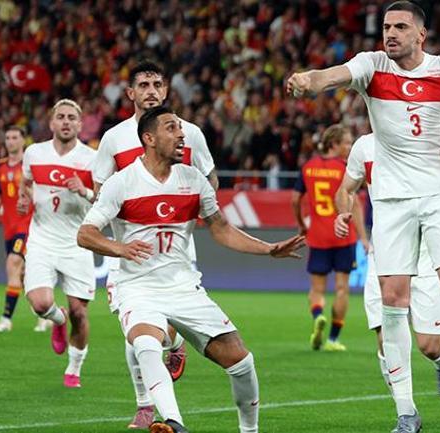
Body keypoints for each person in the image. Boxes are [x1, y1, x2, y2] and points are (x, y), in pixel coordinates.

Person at [287, 2, 440, 430]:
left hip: (439, 195)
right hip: (391, 203)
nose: (391, 33)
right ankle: (406, 412)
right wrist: (310, 80)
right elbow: (332, 76)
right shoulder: (372, 66)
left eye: (401, 27)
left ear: (421, 34)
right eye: (387, 26)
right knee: (392, 301)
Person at [78, 106, 304, 433]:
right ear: (149, 138)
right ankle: (174, 422)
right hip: (139, 288)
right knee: (146, 345)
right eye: (172, 128)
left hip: (185, 288)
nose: (182, 134)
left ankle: (249, 430)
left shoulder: (194, 180)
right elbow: (86, 233)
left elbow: (221, 229)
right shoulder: (121, 183)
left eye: (181, 128)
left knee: (241, 362)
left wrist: (268, 249)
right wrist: (120, 248)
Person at [92, 60, 218, 429]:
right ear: (130, 93)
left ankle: (175, 345)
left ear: (166, 90)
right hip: (130, 252)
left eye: (157, 84)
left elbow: (209, 179)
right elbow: (100, 188)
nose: (151, 90)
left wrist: (196, 213)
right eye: (144, 85)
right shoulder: (114, 138)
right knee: (137, 334)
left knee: (161, 333)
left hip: (176, 252)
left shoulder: (190, 134)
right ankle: (145, 405)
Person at [335, 132, 440, 403]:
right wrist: (342, 213)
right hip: (385, 251)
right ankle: (405, 410)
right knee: (385, 339)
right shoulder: (365, 146)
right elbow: (344, 190)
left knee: (429, 346)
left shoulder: (432, 138)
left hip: (426, 254)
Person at [18, 99, 98, 388]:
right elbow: (26, 183)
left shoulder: (92, 159)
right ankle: (57, 318)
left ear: (80, 124)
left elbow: (104, 199)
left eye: (71, 117)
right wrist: (24, 199)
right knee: (41, 304)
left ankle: (74, 369)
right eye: (61, 117)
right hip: (42, 239)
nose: (66, 121)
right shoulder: (34, 153)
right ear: (51, 123)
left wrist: (84, 190)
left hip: (77, 242)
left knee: (80, 312)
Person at [291, 124, 366, 351]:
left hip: (318, 236)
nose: (350, 147)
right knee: (342, 289)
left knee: (317, 289)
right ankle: (333, 339)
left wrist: (300, 224)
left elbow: (295, 199)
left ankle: (318, 316)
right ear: (334, 144)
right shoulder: (345, 169)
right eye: (347, 143)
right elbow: (355, 205)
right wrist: (363, 237)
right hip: (343, 236)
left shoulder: (308, 167)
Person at [0, 126, 50, 332]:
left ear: (23, 141)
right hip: (9, 227)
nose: (10, 141)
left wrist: (28, 194)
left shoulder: (30, 166)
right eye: (8, 138)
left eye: (15, 137)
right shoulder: (0, 166)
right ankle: (45, 313)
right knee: (21, 275)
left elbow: (41, 193)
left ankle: (6, 319)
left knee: (13, 263)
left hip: (28, 225)